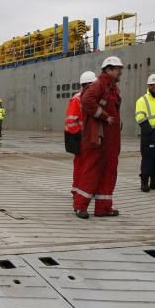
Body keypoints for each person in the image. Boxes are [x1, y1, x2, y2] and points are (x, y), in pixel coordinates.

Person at [75, 57, 124, 219]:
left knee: (109, 171)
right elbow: (87, 100)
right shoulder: (99, 85)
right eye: (117, 69)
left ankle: (103, 208)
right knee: (92, 171)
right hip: (99, 138)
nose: (120, 72)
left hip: (111, 139)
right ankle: (80, 206)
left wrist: (117, 121)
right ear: (108, 70)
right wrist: (104, 116)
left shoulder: (112, 87)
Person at [65, 70, 97, 214]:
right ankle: (77, 192)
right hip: (80, 139)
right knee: (80, 167)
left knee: (89, 167)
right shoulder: (77, 100)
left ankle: (85, 190)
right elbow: (71, 122)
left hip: (89, 139)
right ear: (87, 85)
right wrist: (81, 135)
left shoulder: (91, 99)